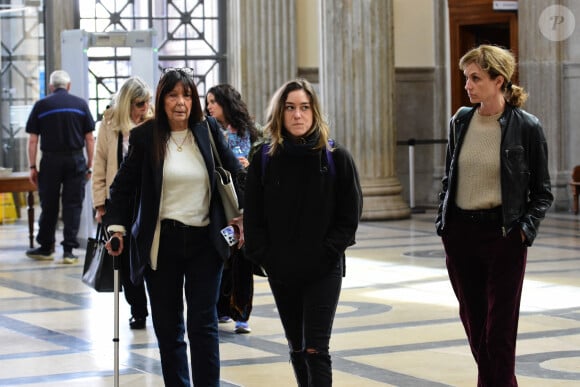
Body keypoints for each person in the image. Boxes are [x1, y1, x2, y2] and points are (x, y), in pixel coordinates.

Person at [103, 67, 243, 386]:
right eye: (172, 95)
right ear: (162, 100)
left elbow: (234, 172)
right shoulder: (145, 137)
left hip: (205, 242)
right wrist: (117, 228)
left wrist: (243, 214)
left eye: (187, 95)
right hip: (160, 243)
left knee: (203, 325)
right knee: (169, 328)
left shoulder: (208, 133)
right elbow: (121, 189)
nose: (180, 102)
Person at [436, 45, 553, 386]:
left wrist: (523, 232)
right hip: (459, 235)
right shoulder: (460, 120)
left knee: (498, 331)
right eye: (466, 78)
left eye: (475, 78)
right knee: (475, 324)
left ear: (498, 80)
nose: (468, 85)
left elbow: (542, 191)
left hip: (504, 235)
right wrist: (445, 224)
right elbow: (449, 176)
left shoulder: (526, 127)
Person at [243, 78, 363, 386]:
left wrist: (325, 254)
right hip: (282, 269)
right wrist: (266, 257)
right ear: (280, 114)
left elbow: (349, 218)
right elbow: (253, 217)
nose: (298, 115)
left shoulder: (336, 158)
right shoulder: (265, 160)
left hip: (323, 269)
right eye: (291, 108)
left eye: (305, 108)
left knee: (315, 349)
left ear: (315, 112)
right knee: (296, 347)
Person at [92, 76, 153, 329]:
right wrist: (99, 204)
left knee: (150, 255)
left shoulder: (153, 123)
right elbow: (100, 163)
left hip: (148, 199)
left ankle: (159, 305)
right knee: (125, 257)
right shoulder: (109, 122)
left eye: (147, 103)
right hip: (118, 201)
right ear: (127, 103)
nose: (144, 109)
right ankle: (138, 310)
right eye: (139, 104)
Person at [205, 84, 261, 334]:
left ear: (225, 103)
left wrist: (250, 164)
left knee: (242, 258)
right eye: (207, 102)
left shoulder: (252, 132)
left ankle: (242, 313)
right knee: (221, 255)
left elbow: (263, 162)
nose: (208, 107)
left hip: (245, 200)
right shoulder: (208, 131)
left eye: (213, 102)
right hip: (219, 202)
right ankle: (220, 308)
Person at [25, 70, 95, 264]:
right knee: (73, 205)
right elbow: (89, 138)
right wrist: (90, 164)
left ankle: (46, 248)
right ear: (69, 85)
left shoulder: (41, 105)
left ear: (50, 87)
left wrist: (32, 166)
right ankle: (69, 251)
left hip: (50, 161)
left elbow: (32, 141)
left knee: (49, 204)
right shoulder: (80, 105)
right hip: (75, 160)